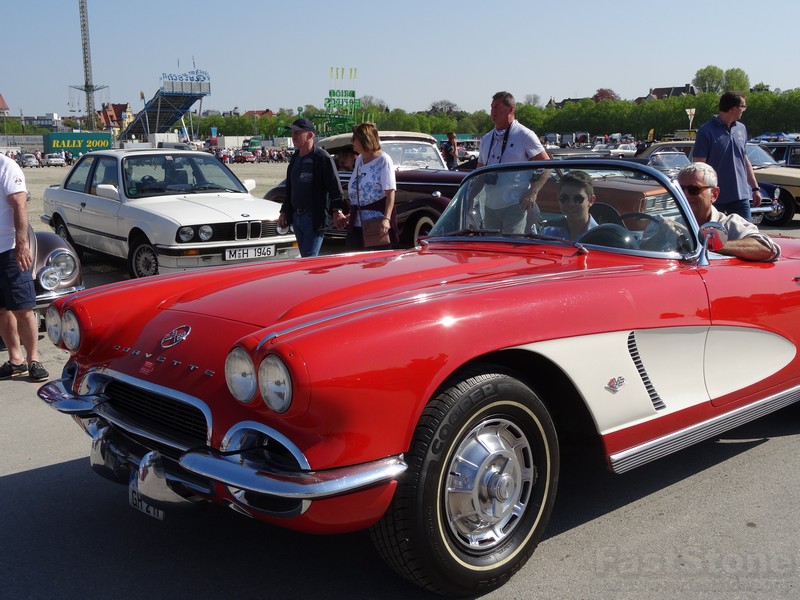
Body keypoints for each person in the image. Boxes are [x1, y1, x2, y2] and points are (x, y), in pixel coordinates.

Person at [0, 153, 49, 381]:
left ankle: (34, 359)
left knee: (23, 308)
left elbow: (19, 204)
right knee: (1, 310)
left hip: (9, 250)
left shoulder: (6, 166)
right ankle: (15, 361)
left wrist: (21, 245)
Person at [477, 91, 551, 233]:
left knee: (510, 249)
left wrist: (532, 192)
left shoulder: (524, 135)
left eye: (497, 107)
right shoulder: (486, 139)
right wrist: (467, 200)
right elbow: (478, 174)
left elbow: (547, 166)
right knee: (491, 251)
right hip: (490, 207)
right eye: (491, 107)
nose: (493, 111)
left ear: (511, 109)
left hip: (514, 206)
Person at [677, 162, 779, 262]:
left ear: (714, 194)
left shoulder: (729, 224)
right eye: (680, 190)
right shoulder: (671, 225)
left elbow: (767, 248)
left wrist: (709, 244)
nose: (686, 195)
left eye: (694, 189)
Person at [278, 118, 347, 257]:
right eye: (292, 132)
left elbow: (335, 188)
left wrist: (337, 210)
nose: (293, 136)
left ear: (310, 135)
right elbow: (290, 188)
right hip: (296, 217)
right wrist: (284, 211)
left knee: (309, 261)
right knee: (304, 259)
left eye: (298, 132)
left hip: (313, 218)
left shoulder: (322, 158)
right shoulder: (295, 158)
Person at [693, 91, 761, 222]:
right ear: (734, 109)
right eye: (743, 107)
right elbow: (699, 166)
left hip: (740, 197)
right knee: (713, 237)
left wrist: (755, 188)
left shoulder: (741, 129)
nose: (744, 110)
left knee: (746, 236)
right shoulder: (706, 131)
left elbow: (745, 160)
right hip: (714, 197)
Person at [346, 123, 397, 250]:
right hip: (357, 222)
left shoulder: (383, 160)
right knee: (355, 264)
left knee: (375, 264)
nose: (352, 141)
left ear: (365, 139)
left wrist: (386, 219)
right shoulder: (359, 160)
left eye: (355, 138)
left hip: (376, 225)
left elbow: (390, 193)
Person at [542, 171, 598, 241]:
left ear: (591, 200)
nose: (571, 204)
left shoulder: (601, 237)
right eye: (564, 198)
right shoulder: (548, 234)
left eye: (578, 199)